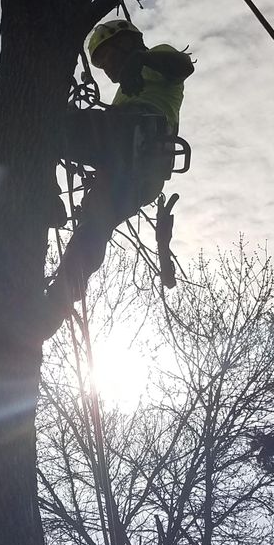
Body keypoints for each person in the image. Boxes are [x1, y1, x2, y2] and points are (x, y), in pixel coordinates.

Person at [43, 18, 194, 327]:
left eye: (108, 57)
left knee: (51, 128)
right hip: (134, 172)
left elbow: (182, 66)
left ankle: (46, 187)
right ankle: (63, 291)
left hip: (138, 140)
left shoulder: (155, 60)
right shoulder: (122, 96)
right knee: (94, 227)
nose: (107, 69)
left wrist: (143, 59)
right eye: (101, 66)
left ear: (127, 44)